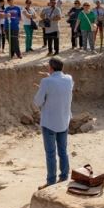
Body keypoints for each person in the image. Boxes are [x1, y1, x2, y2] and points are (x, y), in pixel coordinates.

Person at [33, 56, 74, 190]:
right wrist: (48, 78)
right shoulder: (68, 79)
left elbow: (37, 102)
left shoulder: (46, 82)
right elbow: (60, 89)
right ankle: (64, 177)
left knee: (50, 153)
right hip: (63, 120)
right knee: (63, 151)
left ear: (51, 68)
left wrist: (44, 84)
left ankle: (51, 182)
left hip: (50, 122)